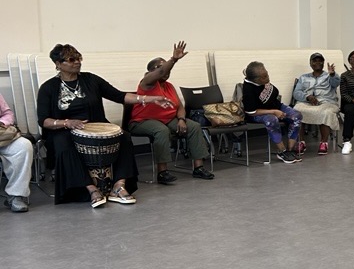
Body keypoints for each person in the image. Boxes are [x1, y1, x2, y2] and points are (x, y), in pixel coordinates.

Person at [37, 43, 174, 207]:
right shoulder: (48, 88)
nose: (77, 62)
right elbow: (44, 120)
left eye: (79, 58)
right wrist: (67, 122)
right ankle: (91, 189)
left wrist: (150, 99)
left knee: (124, 137)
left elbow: (120, 96)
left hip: (97, 126)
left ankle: (118, 186)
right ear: (58, 64)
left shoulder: (91, 79)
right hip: (64, 129)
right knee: (64, 145)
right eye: (71, 59)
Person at [128, 41, 214, 183]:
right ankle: (163, 172)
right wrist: (173, 59)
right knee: (161, 130)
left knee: (194, 127)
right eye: (160, 68)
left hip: (169, 119)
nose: (165, 71)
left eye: (167, 68)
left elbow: (179, 106)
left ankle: (198, 168)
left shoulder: (169, 86)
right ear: (151, 72)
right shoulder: (147, 82)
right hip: (142, 121)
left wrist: (181, 119)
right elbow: (161, 72)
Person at [241, 61, 303, 164]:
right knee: (271, 119)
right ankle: (282, 151)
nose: (268, 77)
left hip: (275, 106)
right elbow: (252, 112)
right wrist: (274, 112)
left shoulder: (255, 75)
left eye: (267, 73)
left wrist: (276, 110)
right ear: (257, 80)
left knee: (296, 116)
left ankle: (290, 150)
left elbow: (246, 72)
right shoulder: (248, 90)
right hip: (258, 113)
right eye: (264, 77)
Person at [292, 52, 341, 156]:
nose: (317, 63)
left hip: (327, 102)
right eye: (315, 61)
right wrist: (307, 97)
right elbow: (296, 93)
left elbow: (336, 83)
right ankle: (301, 142)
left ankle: (324, 143)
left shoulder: (330, 76)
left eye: (320, 61)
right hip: (307, 102)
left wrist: (332, 74)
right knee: (296, 110)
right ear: (310, 63)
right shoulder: (303, 77)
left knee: (326, 112)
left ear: (323, 63)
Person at [1, 92, 33, 213]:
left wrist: (3, 123)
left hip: (2, 136)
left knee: (23, 146)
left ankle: (16, 195)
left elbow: (7, 113)